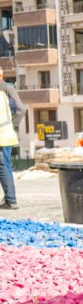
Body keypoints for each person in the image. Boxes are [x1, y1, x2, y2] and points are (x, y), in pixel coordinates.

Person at [0, 80, 26, 210]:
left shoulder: (6, 90)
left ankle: (10, 199)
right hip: (6, 135)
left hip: (3, 137)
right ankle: (9, 198)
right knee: (5, 166)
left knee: (3, 166)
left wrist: (12, 124)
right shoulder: (4, 92)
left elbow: (21, 109)